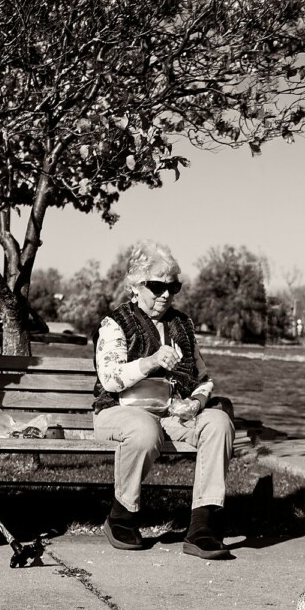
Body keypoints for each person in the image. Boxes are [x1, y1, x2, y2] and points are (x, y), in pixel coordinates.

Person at [93, 240, 235, 559]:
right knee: (144, 429)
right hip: (118, 411)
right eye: (157, 286)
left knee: (219, 422)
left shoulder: (182, 324)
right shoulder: (115, 324)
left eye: (174, 287)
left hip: (172, 415)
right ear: (137, 285)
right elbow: (110, 379)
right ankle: (122, 515)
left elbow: (204, 379)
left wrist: (196, 403)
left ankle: (202, 526)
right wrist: (151, 362)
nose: (166, 294)